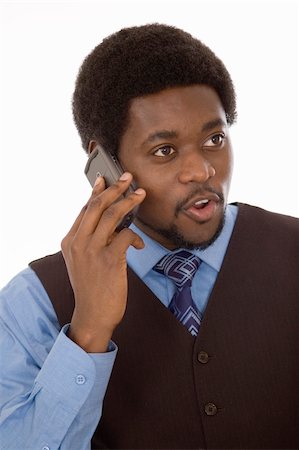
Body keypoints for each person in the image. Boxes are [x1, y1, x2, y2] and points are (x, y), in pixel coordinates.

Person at [0, 23, 298, 450]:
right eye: (165, 150)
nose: (202, 171)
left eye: (215, 138)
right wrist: (88, 333)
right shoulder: (31, 305)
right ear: (104, 161)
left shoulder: (292, 253)